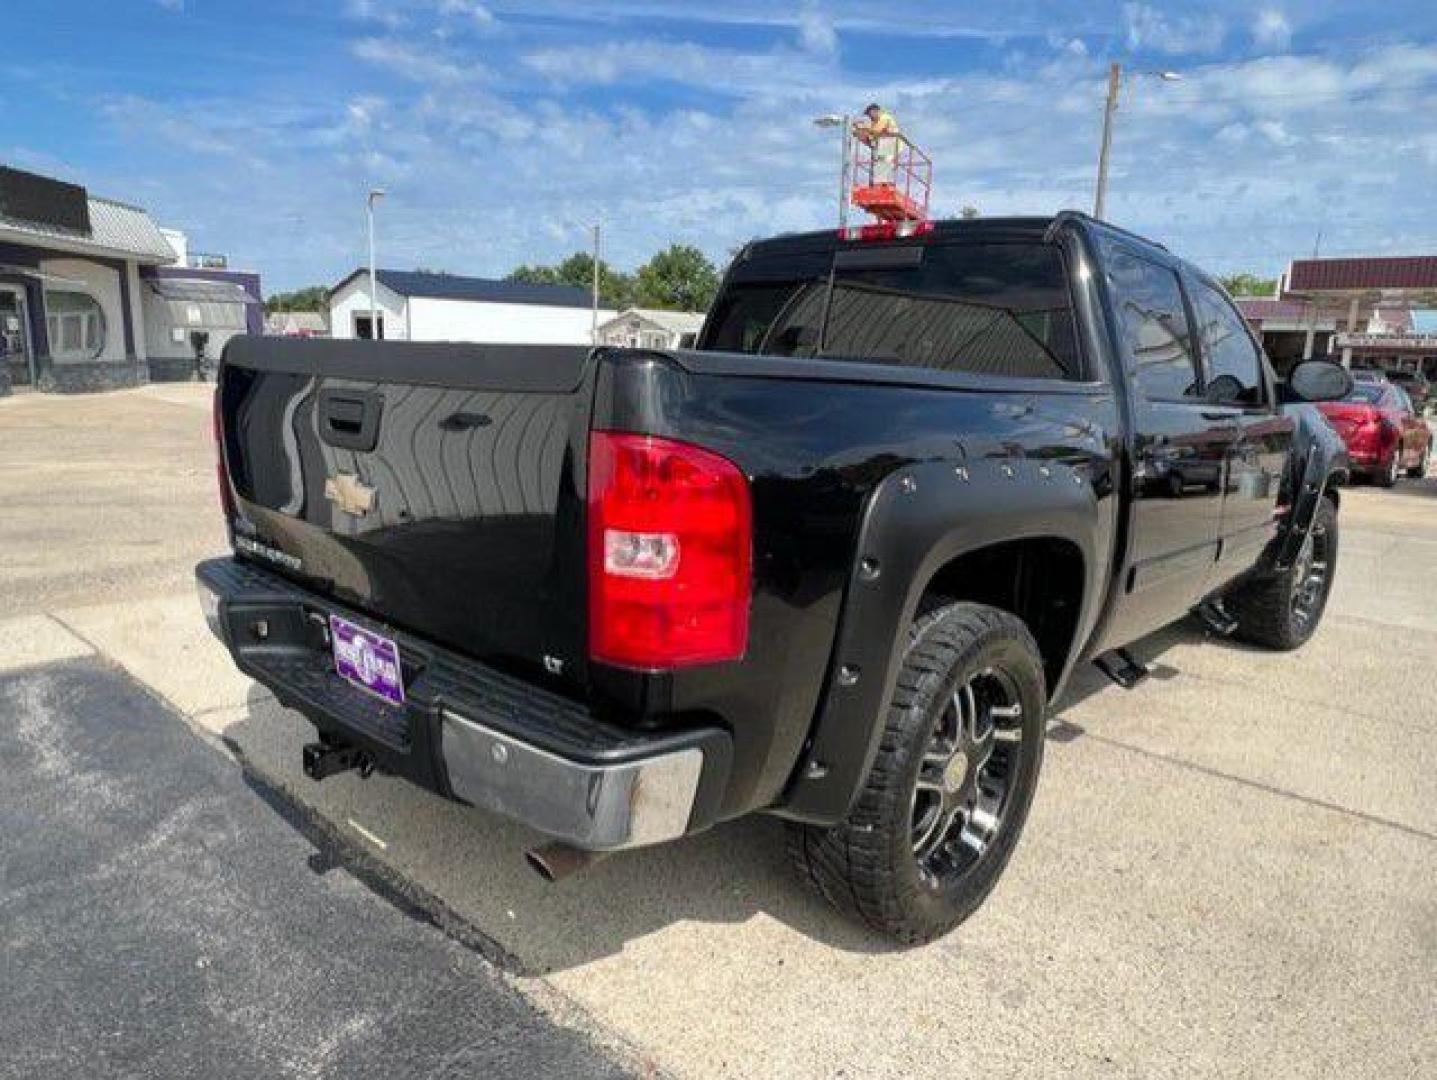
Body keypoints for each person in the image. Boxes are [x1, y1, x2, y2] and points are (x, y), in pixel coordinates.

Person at [853, 103, 902, 185]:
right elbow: (871, 136)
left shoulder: (884, 118)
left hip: (892, 144)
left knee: (884, 161)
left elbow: (875, 131)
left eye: (870, 114)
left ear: (876, 111)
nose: (870, 117)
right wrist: (860, 133)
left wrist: (861, 128)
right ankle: (881, 183)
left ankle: (884, 183)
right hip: (883, 145)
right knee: (880, 163)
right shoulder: (875, 123)